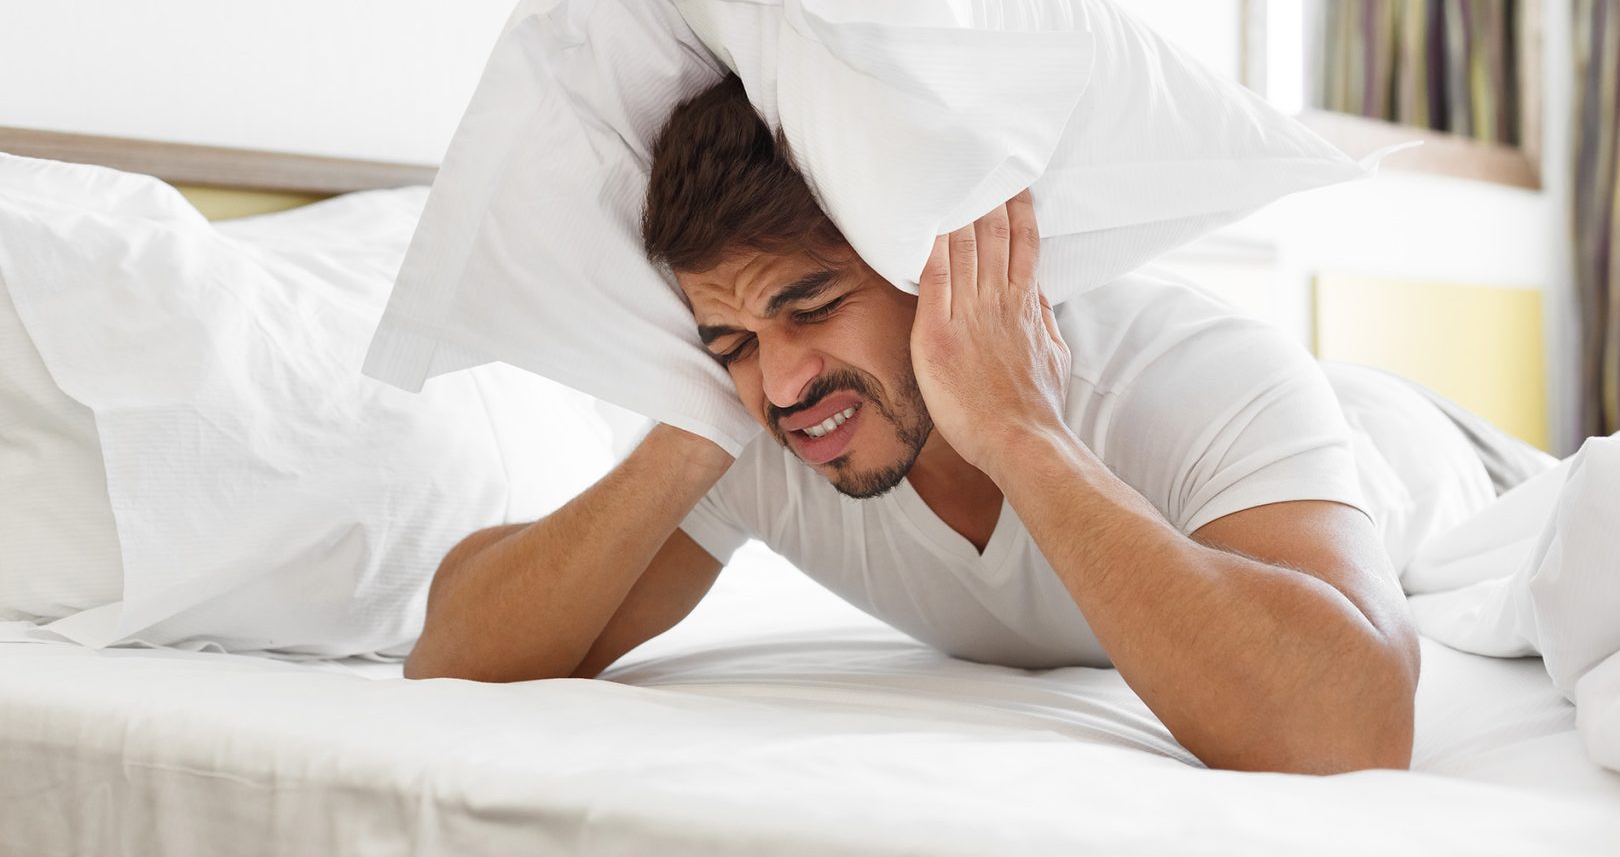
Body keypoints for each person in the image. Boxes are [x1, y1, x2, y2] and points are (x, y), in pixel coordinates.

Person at [404, 72, 1420, 775]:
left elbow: (1355, 723)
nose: (787, 379)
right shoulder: (765, 421)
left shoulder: (1193, 374)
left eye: (810, 306)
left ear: (940, 266)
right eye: (733, 338)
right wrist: (697, 420)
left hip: (1419, 461)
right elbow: (451, 655)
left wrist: (1023, 431)